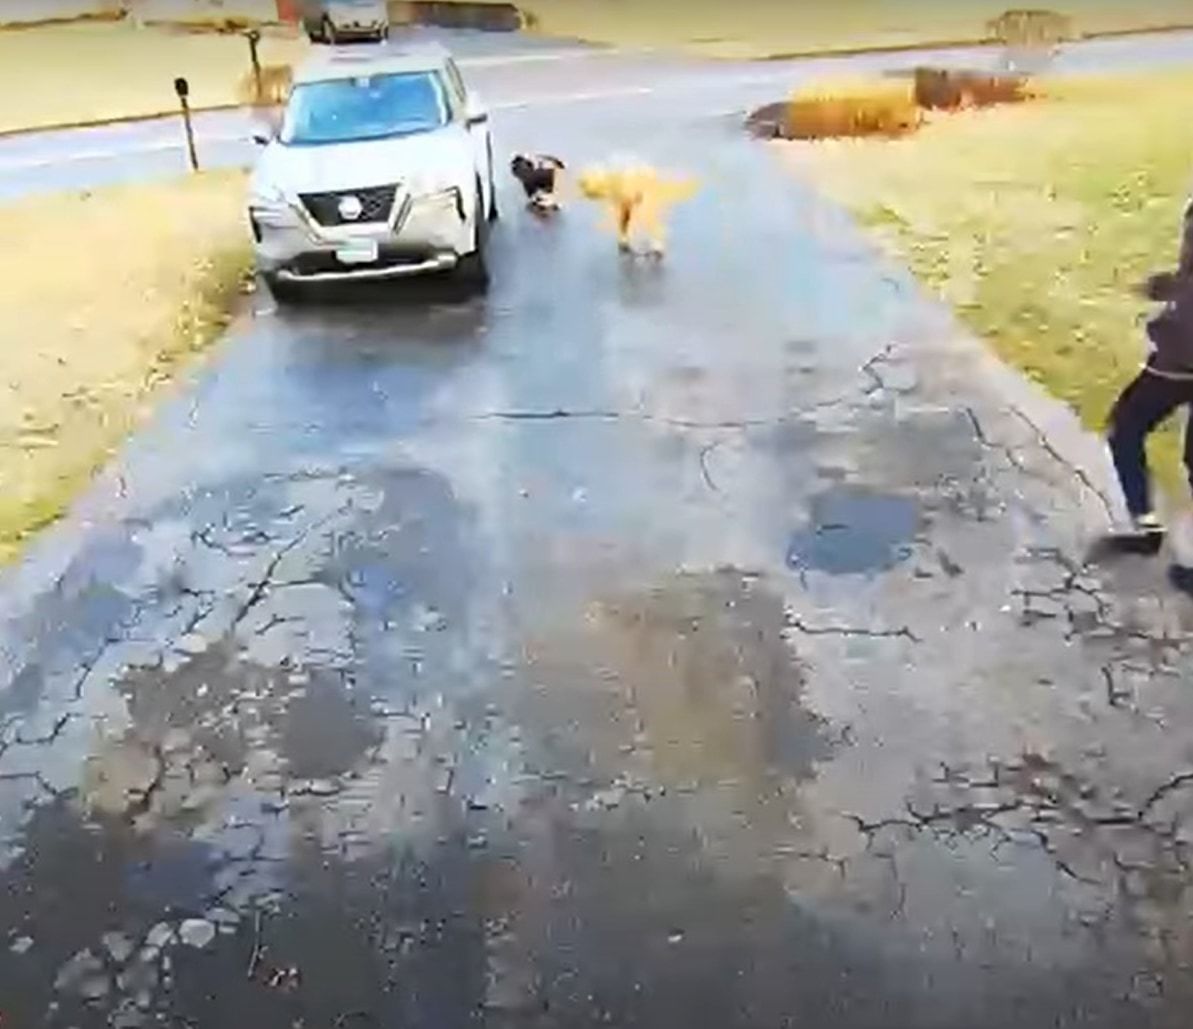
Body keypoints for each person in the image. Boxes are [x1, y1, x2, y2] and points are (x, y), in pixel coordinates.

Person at [1106, 196, 1193, 580]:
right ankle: (1147, 525)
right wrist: (1166, 286)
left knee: (1126, 428)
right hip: (1179, 360)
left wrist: (1162, 327)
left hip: (1180, 364)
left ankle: (1147, 527)